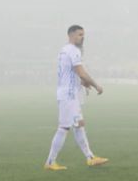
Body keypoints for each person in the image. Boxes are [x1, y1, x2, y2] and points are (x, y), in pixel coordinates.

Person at [44, 25, 109, 170]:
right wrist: (96, 85)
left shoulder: (64, 50)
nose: (82, 37)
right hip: (68, 95)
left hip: (68, 93)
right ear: (71, 35)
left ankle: (90, 157)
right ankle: (50, 162)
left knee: (79, 124)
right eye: (80, 34)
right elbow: (81, 71)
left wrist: (82, 83)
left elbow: (71, 73)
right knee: (64, 127)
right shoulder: (73, 51)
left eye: (83, 35)